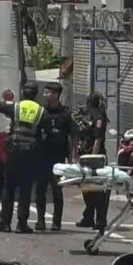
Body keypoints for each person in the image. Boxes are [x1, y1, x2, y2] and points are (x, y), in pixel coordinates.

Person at [0, 82, 51, 234]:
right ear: (36, 94)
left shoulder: (16, 107)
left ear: (23, 92)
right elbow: (47, 135)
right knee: (25, 189)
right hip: (31, 154)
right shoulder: (42, 112)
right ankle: (22, 224)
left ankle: (5, 223)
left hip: (14, 151)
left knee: (9, 187)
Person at [35, 81, 77, 231]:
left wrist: (73, 157)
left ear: (56, 95)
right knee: (40, 189)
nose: (45, 95)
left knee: (57, 189)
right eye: (45, 92)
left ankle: (56, 222)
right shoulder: (42, 112)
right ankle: (40, 220)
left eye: (48, 93)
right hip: (42, 156)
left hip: (58, 157)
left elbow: (74, 135)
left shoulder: (65, 114)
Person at [75, 92, 111, 233]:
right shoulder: (92, 117)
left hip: (96, 157)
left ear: (91, 105)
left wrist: (93, 158)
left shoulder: (99, 119)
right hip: (87, 154)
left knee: (97, 190)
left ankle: (100, 220)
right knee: (87, 189)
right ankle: (88, 216)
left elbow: (98, 140)